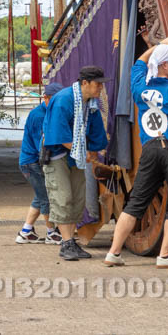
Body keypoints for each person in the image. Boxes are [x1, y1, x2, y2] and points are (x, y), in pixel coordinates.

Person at [105, 40, 168, 268]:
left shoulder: (141, 87)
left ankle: (114, 252)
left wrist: (158, 46)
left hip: (149, 149)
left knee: (136, 202)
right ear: (165, 65)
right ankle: (165, 255)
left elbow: (138, 64)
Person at [42, 66, 109, 261]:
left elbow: (96, 133)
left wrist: (94, 150)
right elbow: (58, 134)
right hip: (57, 155)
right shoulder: (63, 100)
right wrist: (82, 150)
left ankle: (71, 241)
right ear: (85, 83)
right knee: (62, 197)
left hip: (75, 156)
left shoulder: (92, 104)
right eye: (98, 84)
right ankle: (66, 243)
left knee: (77, 198)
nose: (101, 89)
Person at [16, 82, 64, 245]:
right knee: (46, 198)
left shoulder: (48, 112)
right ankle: (51, 232)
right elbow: (41, 145)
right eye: (55, 99)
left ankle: (26, 231)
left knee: (40, 196)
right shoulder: (39, 115)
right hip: (32, 163)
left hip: (32, 161)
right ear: (45, 98)